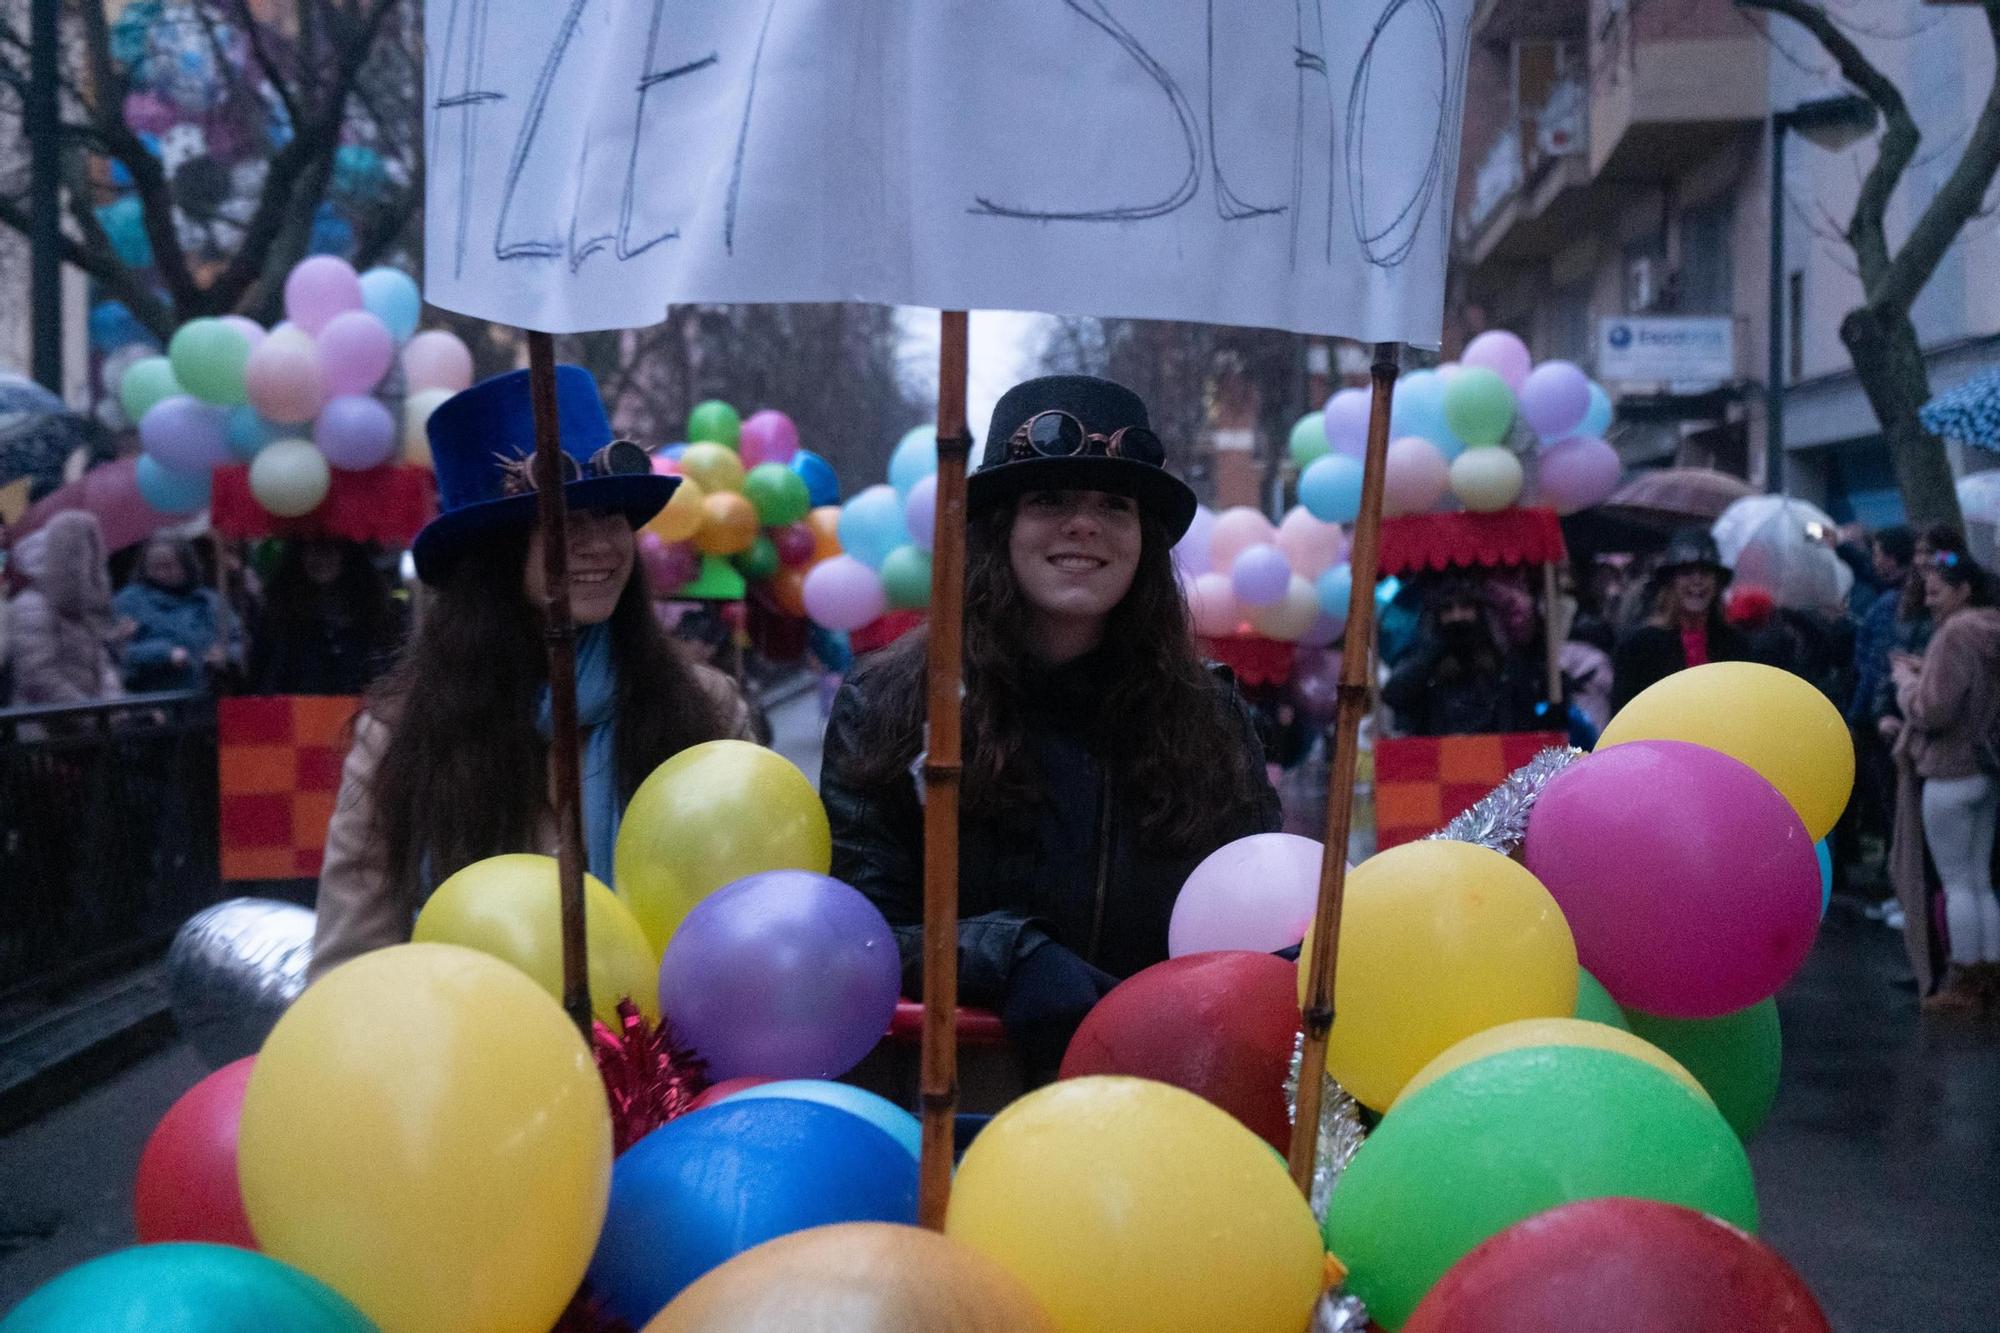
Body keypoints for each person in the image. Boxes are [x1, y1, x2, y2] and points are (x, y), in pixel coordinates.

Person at [819, 376, 1282, 1081]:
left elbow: (1258, 908)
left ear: (1142, 539)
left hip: (1159, 1107)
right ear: (1000, 524)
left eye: (1113, 505)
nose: (1083, 524)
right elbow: (855, 934)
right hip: (959, 1110)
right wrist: (1007, 954)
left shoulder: (1210, 719)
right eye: (1051, 498)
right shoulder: (888, 705)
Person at [310, 367, 753, 979]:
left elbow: (753, 924)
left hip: (674, 1062)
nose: (600, 544)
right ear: (494, 551)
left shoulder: (703, 708)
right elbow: (352, 968)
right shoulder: (402, 735)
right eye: (562, 521)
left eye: (611, 515)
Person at [1889, 551, 2000, 1011]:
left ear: (1963, 590)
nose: (1930, 596)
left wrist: (1905, 684)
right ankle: (1991, 974)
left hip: (1949, 771)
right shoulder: (1991, 630)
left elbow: (1933, 710)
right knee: (1980, 881)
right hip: (1985, 769)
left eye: (1938, 588)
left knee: (1957, 882)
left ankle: (1964, 982)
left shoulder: (1954, 635)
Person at [1381, 574, 1544, 737]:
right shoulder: (1425, 661)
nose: (1457, 616)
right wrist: (1434, 651)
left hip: (1494, 753)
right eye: (1448, 610)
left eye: (1465, 607)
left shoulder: (1502, 661)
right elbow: (1395, 694)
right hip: (1437, 754)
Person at [1610, 529, 1746, 712]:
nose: (1697, 581)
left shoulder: (1735, 644)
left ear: (1716, 584)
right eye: (1687, 572)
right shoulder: (1640, 646)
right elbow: (1623, 714)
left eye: (1705, 573)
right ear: (1672, 582)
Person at [247, 538, 401, 696]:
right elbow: (263, 678)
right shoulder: (278, 614)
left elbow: (386, 673)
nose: (321, 558)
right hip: (297, 713)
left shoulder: (373, 612)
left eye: (330, 548)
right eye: (312, 549)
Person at [6, 510, 123, 706]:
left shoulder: (81, 604)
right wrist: (91, 714)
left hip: (96, 724)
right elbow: (38, 675)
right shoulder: (31, 606)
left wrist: (113, 706)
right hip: (49, 729)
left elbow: (102, 666)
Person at [113, 535, 242, 693]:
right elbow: (117, 651)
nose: (161, 574)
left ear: (186, 566)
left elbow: (238, 639)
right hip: (154, 701)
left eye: (168, 566)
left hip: (206, 697)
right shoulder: (129, 602)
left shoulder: (210, 601)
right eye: (155, 567)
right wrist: (164, 653)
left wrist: (226, 654)